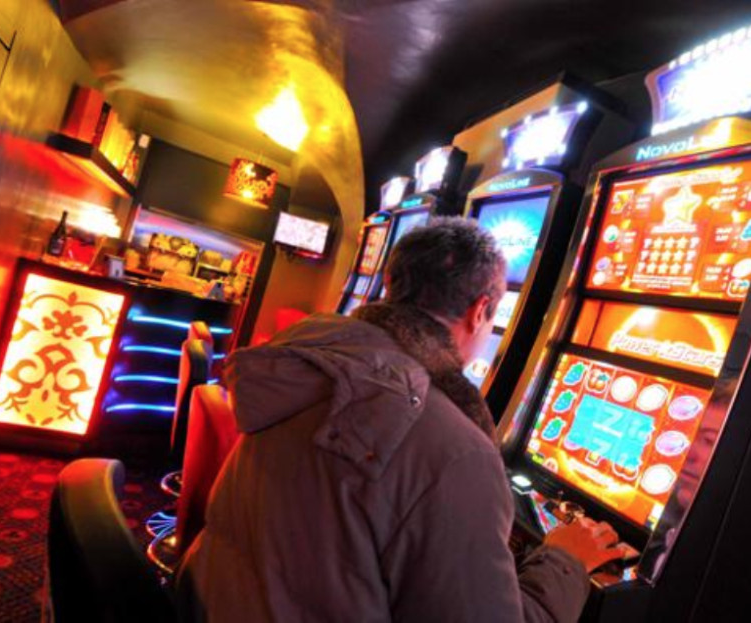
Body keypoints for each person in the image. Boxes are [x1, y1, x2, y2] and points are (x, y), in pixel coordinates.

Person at [177, 217, 625, 622]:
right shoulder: (454, 452)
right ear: (480, 311)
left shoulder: (305, 369)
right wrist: (566, 560)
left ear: (390, 284)